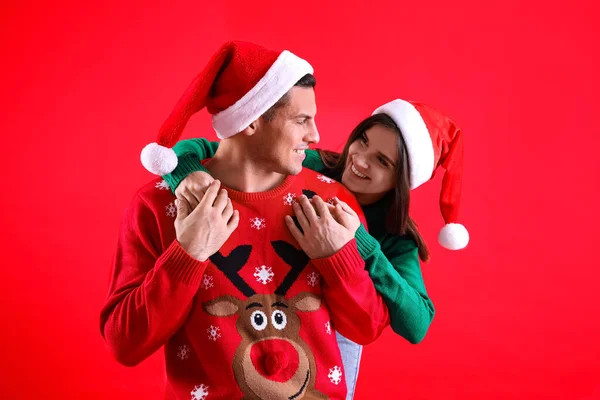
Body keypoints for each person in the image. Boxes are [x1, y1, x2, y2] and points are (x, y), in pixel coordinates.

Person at [100, 41, 390, 400]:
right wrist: (187, 254)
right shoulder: (159, 205)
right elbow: (124, 344)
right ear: (252, 121)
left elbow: (367, 328)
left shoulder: (332, 202)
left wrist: (339, 259)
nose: (315, 136)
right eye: (301, 120)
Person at [162, 98, 470, 398]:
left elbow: (417, 323)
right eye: (362, 141)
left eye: (382, 161)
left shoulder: (395, 236)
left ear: (399, 181)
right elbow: (208, 150)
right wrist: (186, 176)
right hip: (271, 304)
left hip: (341, 327)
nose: (360, 159)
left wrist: (362, 244)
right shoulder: (310, 164)